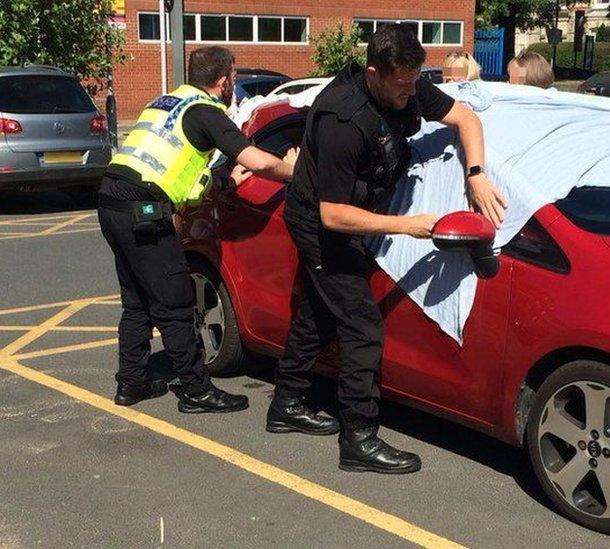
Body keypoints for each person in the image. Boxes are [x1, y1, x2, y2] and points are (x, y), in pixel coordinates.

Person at [268, 23, 507, 475]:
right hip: (320, 223)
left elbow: (465, 118)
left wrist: (475, 173)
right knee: (361, 325)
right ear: (374, 72)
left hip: (350, 214)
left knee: (320, 311)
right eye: (400, 85)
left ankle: (286, 403)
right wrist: (408, 226)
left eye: (414, 81)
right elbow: (333, 215)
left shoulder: (408, 86)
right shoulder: (344, 119)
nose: (409, 93)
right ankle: (358, 439)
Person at [98, 46, 297, 412]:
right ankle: (196, 390)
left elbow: (178, 170)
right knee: (175, 302)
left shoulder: (166, 102)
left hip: (111, 202)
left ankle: (132, 382)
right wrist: (296, 171)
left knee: (137, 301)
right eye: (233, 79)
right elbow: (256, 160)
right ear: (223, 80)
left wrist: (221, 182)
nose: (233, 86)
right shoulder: (205, 111)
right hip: (144, 211)